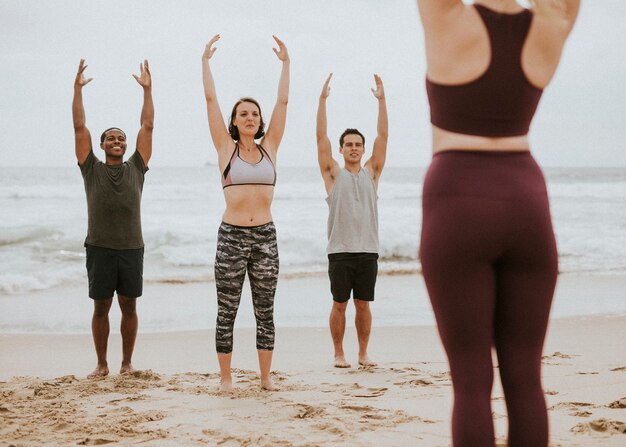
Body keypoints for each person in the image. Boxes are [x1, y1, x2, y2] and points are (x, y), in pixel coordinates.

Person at [415, 1, 580, 445]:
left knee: (470, 379)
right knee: (526, 376)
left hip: (457, 195)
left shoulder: (449, 18)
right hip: (526, 195)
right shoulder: (553, 23)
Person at [202, 34, 289, 391]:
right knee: (227, 311)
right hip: (232, 237)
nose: (250, 117)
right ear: (234, 122)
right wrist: (205, 63)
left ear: (260, 120)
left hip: (265, 237)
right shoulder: (225, 148)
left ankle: (265, 378)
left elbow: (283, 101)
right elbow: (210, 99)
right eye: (243, 114)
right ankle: (226, 378)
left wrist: (286, 64)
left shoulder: (270, 147)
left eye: (254, 113)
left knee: (264, 311)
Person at [73, 59, 154, 378]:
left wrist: (148, 90)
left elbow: (147, 127)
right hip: (99, 248)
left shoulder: (136, 167)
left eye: (121, 138)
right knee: (101, 307)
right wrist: (77, 90)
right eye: (111, 138)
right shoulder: (91, 168)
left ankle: (127, 363)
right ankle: (102, 364)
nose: (118, 141)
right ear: (102, 145)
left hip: (132, 248)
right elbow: (79, 127)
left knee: (130, 307)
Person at [316, 73, 388, 369]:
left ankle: (362, 353)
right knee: (339, 305)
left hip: (367, 249)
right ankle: (338, 354)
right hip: (340, 250)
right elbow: (321, 138)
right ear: (342, 149)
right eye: (349, 144)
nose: (355, 148)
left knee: (363, 305)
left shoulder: (372, 172)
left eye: (358, 144)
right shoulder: (333, 174)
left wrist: (382, 101)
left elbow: (383, 138)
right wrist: (322, 101)